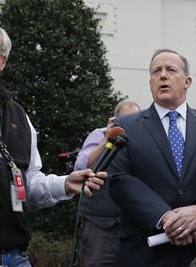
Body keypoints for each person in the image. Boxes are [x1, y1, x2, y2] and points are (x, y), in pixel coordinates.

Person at [0, 20, 107, 267]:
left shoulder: (18, 115)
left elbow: (30, 182)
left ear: (2, 62)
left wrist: (66, 184)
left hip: (16, 257)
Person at [108, 49, 196, 267]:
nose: (162, 75)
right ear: (150, 81)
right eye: (156, 71)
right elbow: (117, 179)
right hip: (144, 250)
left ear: (188, 81)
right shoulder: (126, 127)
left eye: (170, 70)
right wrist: (166, 218)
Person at [73, 99, 141, 267]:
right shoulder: (100, 135)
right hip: (100, 223)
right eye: (126, 121)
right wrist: (108, 138)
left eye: (135, 120)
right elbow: (82, 166)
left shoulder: (144, 137)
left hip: (135, 224)